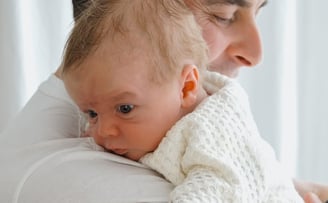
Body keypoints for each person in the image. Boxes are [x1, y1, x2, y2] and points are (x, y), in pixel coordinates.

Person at [0, 0, 326, 202]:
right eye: (223, 14)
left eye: (258, 11)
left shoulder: (190, 119)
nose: (256, 54)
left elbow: (236, 169)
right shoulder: (64, 171)